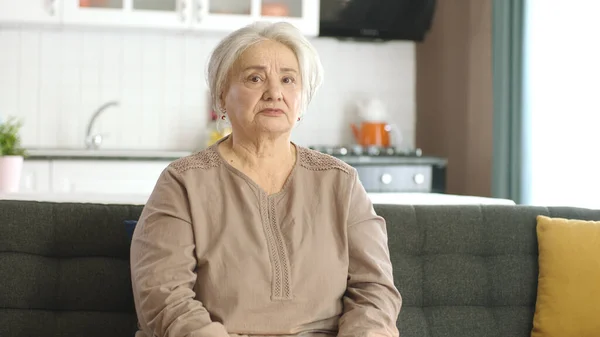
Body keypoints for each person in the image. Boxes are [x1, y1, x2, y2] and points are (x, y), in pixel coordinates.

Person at [130, 21, 402, 337]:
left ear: (301, 99)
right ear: (221, 95)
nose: (274, 93)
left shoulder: (341, 182)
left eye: (288, 80)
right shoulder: (182, 182)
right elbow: (165, 298)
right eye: (255, 78)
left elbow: (375, 291)